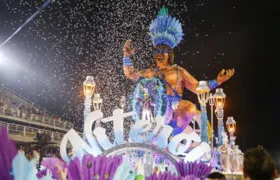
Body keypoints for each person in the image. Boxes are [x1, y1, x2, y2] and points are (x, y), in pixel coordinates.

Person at [122, 6, 234, 136]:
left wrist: (217, 81)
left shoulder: (178, 71)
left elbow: (198, 87)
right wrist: (126, 57)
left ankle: (171, 137)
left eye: (163, 51)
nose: (159, 54)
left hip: (175, 106)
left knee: (190, 108)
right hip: (155, 108)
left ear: (169, 54)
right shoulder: (151, 72)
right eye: (156, 51)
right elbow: (130, 73)